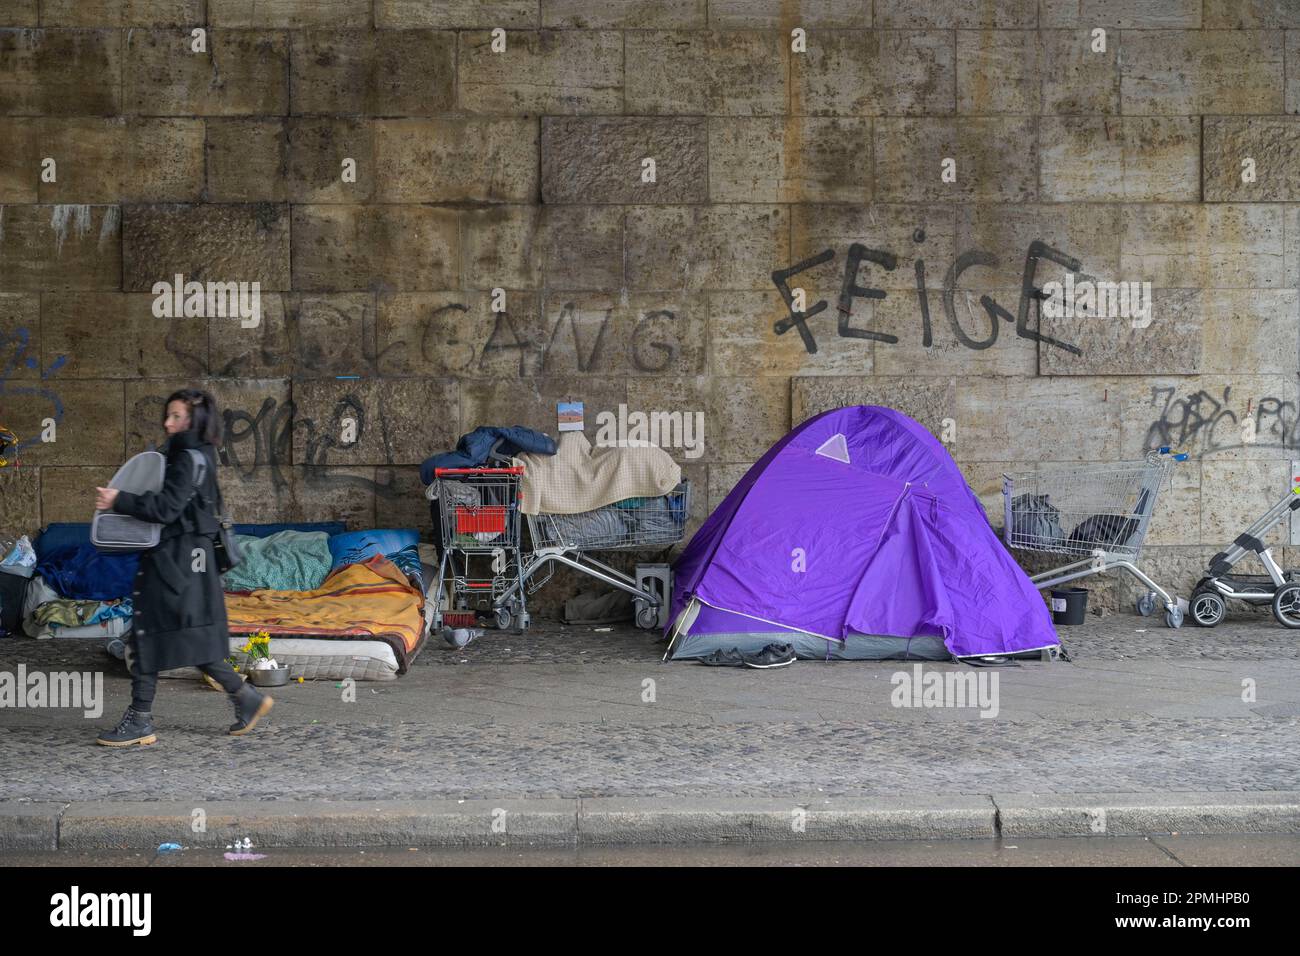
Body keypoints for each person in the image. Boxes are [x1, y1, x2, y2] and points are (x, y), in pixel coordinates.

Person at [93, 389, 272, 746]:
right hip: (192, 563)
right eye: (168, 415)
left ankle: (140, 721)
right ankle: (247, 698)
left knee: (147, 635)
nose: (167, 422)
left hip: (175, 564)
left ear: (193, 420)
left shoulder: (186, 458)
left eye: (175, 416)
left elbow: (166, 509)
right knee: (192, 641)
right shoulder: (201, 454)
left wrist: (119, 500)